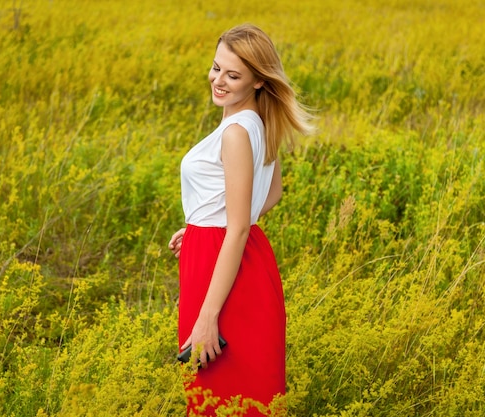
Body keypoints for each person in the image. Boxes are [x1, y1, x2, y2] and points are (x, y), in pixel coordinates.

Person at [168, 23, 313, 416]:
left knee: (217, 393)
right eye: (216, 68)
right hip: (243, 257)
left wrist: (208, 317)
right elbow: (271, 194)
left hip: (222, 262)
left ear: (259, 82)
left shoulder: (235, 132)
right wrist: (205, 222)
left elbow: (239, 225)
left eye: (233, 75)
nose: (218, 80)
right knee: (248, 396)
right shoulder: (261, 124)